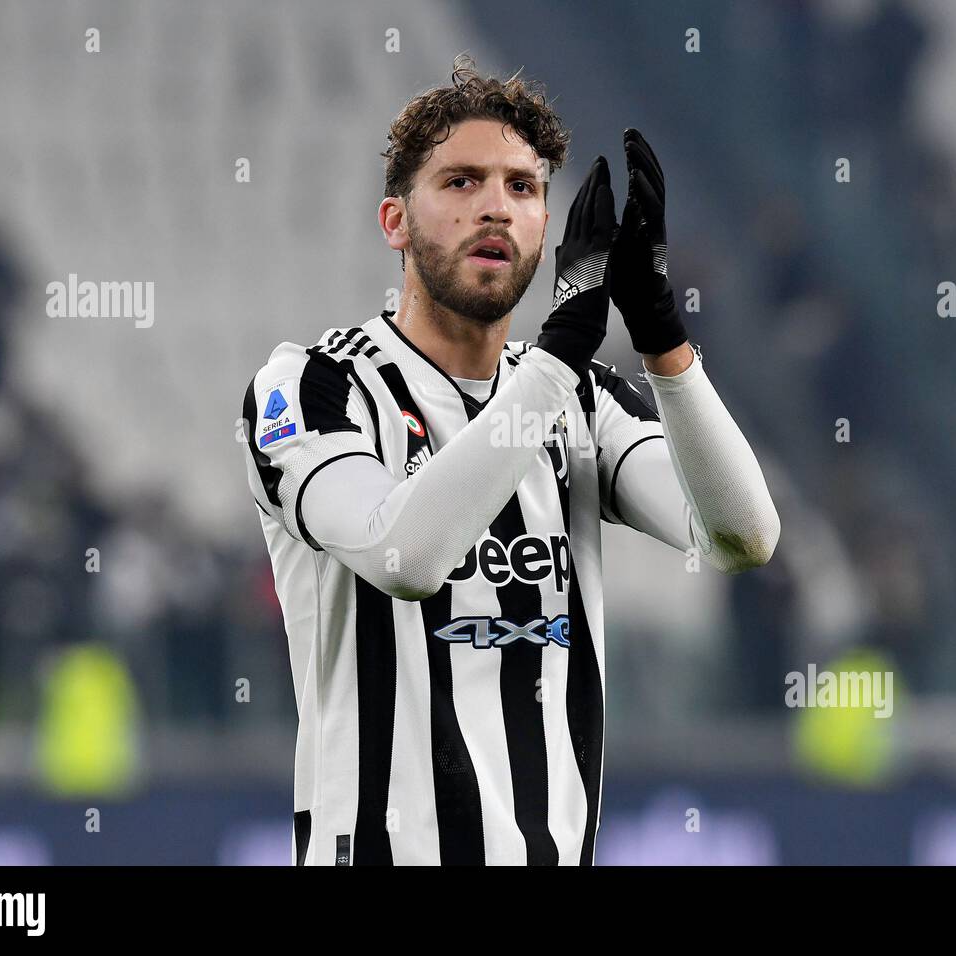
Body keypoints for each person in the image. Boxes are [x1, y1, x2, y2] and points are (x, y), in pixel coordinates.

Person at [239, 58, 780, 866]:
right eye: (460, 182)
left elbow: (742, 537)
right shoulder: (315, 386)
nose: (495, 206)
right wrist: (559, 356)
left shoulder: (582, 400)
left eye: (523, 188)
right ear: (395, 220)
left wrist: (663, 338)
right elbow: (406, 557)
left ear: (545, 226)